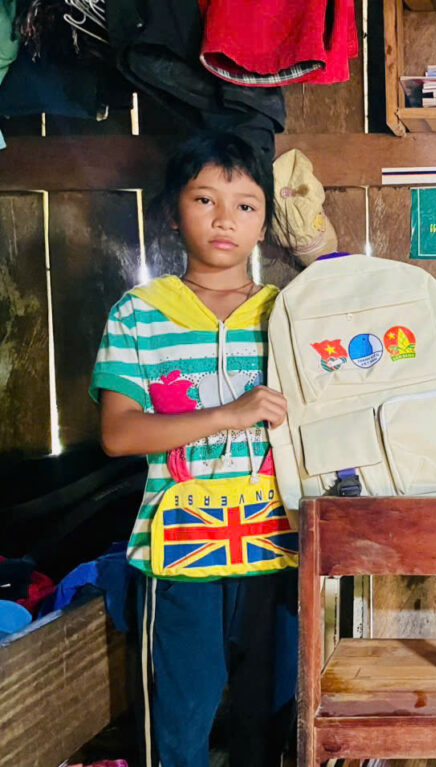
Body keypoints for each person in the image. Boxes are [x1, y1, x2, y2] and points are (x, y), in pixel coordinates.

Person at [90, 132, 295, 767]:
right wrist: (230, 414)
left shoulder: (289, 313)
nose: (225, 219)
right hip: (179, 558)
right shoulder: (139, 315)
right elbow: (119, 432)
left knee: (272, 730)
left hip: (277, 551)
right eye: (205, 199)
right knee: (178, 733)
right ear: (173, 212)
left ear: (265, 222)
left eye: (245, 205)